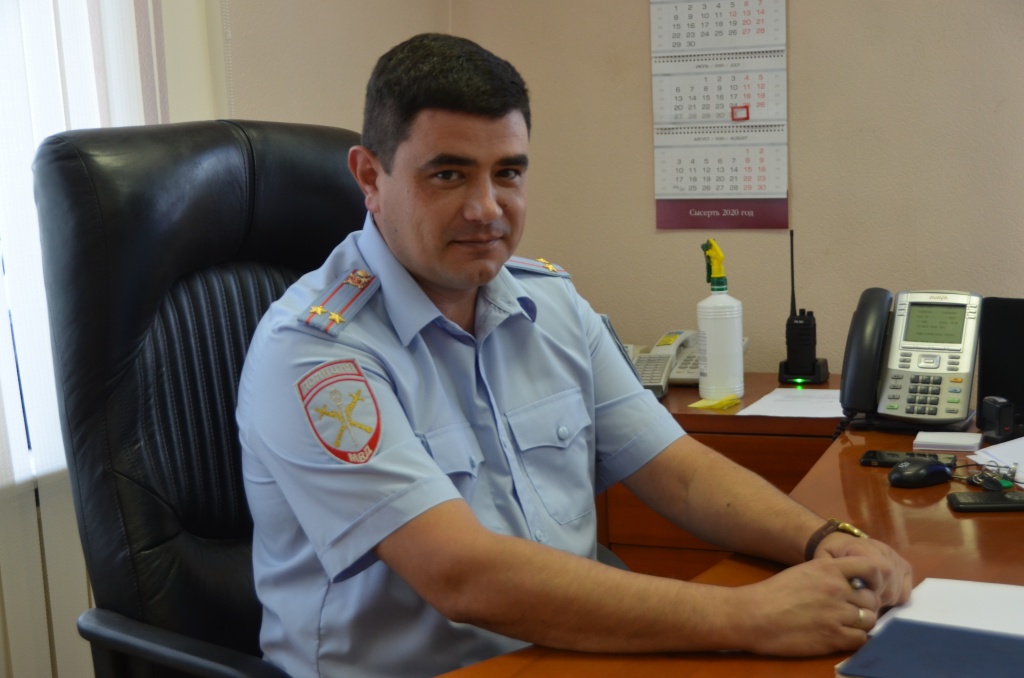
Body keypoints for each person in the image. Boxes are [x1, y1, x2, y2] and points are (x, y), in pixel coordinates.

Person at [237, 32, 911, 678]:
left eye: (508, 173)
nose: (486, 208)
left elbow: (679, 475)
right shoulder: (316, 352)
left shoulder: (550, 304)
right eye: (448, 174)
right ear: (370, 176)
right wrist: (748, 616)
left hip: (567, 654)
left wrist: (825, 540)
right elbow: (460, 575)